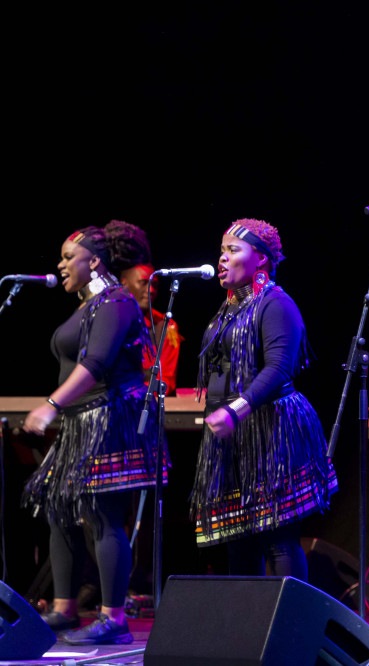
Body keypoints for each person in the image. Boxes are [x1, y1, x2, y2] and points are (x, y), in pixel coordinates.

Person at [21, 222, 166, 645]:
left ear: (95, 260)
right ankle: (64, 610)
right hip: (79, 423)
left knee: (103, 518)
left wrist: (50, 406)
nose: (61, 265)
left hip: (109, 418)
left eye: (69, 257)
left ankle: (113, 618)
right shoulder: (86, 305)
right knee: (59, 512)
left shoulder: (118, 302)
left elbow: (97, 363)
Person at [190, 218, 337, 579]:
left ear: (261, 259)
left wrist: (236, 409)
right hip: (233, 437)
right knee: (238, 538)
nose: (222, 258)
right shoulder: (227, 311)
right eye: (222, 250)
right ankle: (248, 628)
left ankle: (290, 626)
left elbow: (279, 370)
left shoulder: (276, 305)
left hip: (272, 430)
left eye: (233, 250)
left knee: (277, 538)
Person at [116, 225, 183, 396]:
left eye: (154, 285)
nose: (151, 290)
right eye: (144, 283)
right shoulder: (110, 320)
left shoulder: (166, 326)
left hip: (142, 404)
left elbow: (167, 381)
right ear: (124, 283)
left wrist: (134, 395)